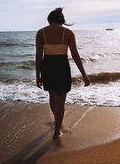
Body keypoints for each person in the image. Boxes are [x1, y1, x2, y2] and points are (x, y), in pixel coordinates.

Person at [36, 8, 90, 139]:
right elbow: (75, 55)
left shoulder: (41, 33)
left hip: (47, 66)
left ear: (49, 19)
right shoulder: (68, 33)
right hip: (62, 66)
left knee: (52, 96)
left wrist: (37, 75)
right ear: (62, 20)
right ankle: (56, 131)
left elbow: (38, 56)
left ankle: (57, 122)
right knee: (61, 100)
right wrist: (84, 75)